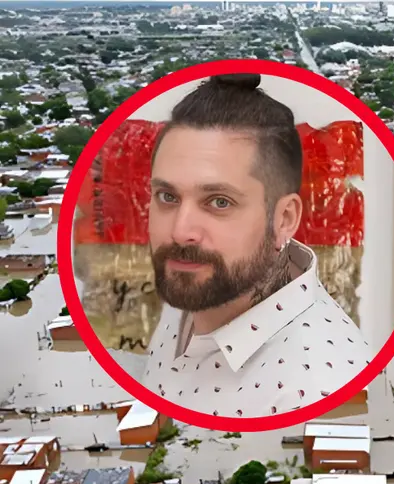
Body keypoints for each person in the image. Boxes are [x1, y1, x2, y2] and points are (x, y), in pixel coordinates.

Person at [140, 73, 371, 418]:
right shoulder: (195, 290)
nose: (180, 231)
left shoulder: (316, 388)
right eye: (167, 196)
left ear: (284, 219)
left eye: (219, 202)